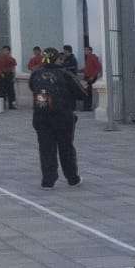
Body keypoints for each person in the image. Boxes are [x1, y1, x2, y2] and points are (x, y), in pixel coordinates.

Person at [30, 48, 82, 188]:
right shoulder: (65, 74)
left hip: (41, 117)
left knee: (46, 149)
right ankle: (72, 178)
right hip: (62, 117)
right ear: (57, 59)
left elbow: (32, 88)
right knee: (66, 148)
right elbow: (81, 93)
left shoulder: (35, 74)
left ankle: (48, 180)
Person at [0, 45, 17, 109]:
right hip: (1, 75)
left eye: (6, 50)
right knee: (1, 90)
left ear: (9, 51)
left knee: (10, 90)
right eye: (3, 50)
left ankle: (11, 104)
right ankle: (2, 104)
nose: (4, 52)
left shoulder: (12, 59)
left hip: (9, 75)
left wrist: (14, 76)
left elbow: (13, 68)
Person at [83, 45, 102, 110]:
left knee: (88, 92)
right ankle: (86, 107)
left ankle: (88, 107)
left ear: (90, 51)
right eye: (84, 50)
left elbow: (99, 67)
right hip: (87, 77)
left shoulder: (93, 57)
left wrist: (93, 76)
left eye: (86, 50)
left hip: (90, 78)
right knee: (86, 91)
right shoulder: (88, 57)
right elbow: (88, 68)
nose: (85, 51)